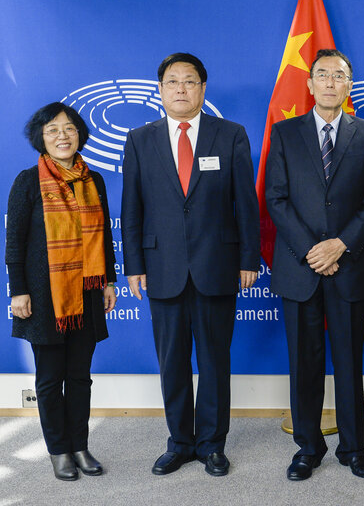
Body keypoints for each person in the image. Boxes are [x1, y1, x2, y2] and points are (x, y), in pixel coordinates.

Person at [121, 52, 260, 477]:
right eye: (172, 82)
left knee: (216, 361)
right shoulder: (139, 139)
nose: (181, 88)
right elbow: (132, 208)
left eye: (190, 81)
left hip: (217, 265)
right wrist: (133, 265)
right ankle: (180, 442)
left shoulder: (230, 134)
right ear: (160, 90)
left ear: (203, 88)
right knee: (173, 361)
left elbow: (246, 204)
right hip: (162, 267)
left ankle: (212, 445)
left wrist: (248, 258)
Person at [265, 49, 364, 481]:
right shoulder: (284, 133)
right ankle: (307, 448)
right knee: (304, 363)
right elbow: (275, 199)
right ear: (310, 84)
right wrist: (313, 251)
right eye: (323, 75)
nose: (331, 82)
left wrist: (339, 245)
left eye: (339, 75)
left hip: (350, 265)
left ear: (349, 84)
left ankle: (355, 448)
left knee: (350, 362)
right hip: (301, 269)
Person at [6, 102, 117, 481]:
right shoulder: (27, 181)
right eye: (52, 130)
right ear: (41, 138)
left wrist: (110, 280)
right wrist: (18, 291)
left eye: (68, 129)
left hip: (86, 292)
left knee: (81, 376)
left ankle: (81, 445)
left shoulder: (94, 180)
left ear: (79, 135)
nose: (62, 136)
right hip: (44, 294)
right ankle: (58, 451)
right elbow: (14, 242)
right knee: (51, 378)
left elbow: (104, 239)